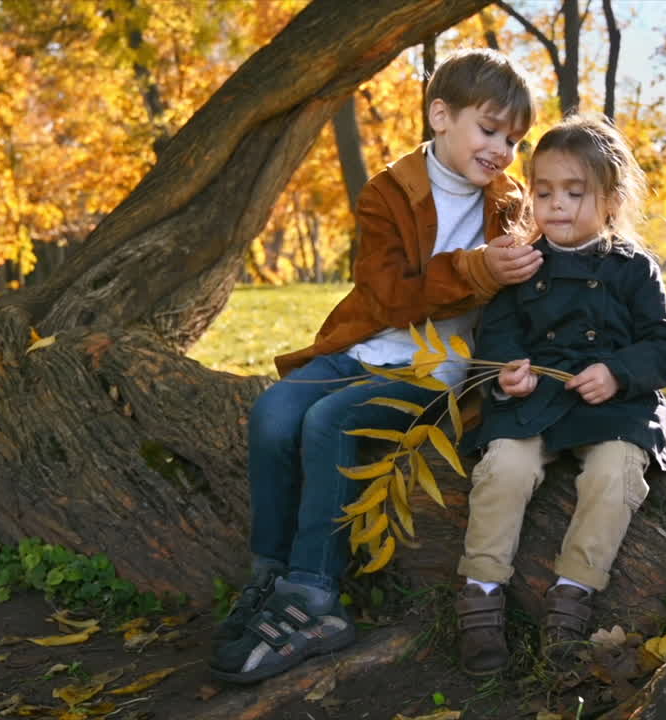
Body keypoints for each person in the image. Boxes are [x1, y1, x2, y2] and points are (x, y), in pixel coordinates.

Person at [210, 48, 541, 684]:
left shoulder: (508, 202)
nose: (502, 149)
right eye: (490, 129)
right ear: (440, 115)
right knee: (275, 412)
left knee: (329, 423)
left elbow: (520, 297)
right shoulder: (389, 191)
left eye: (514, 139)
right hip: (367, 347)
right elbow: (386, 295)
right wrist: (474, 269)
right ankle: (271, 578)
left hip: (437, 370)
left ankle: (314, 597)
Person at [454, 114, 666, 676]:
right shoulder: (524, 266)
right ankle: (480, 596)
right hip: (535, 402)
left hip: (615, 407)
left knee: (615, 475)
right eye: (544, 192)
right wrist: (508, 374)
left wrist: (618, 371)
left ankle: (571, 599)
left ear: (609, 199)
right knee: (503, 468)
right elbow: (498, 337)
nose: (556, 204)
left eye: (574, 192)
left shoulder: (634, 270)